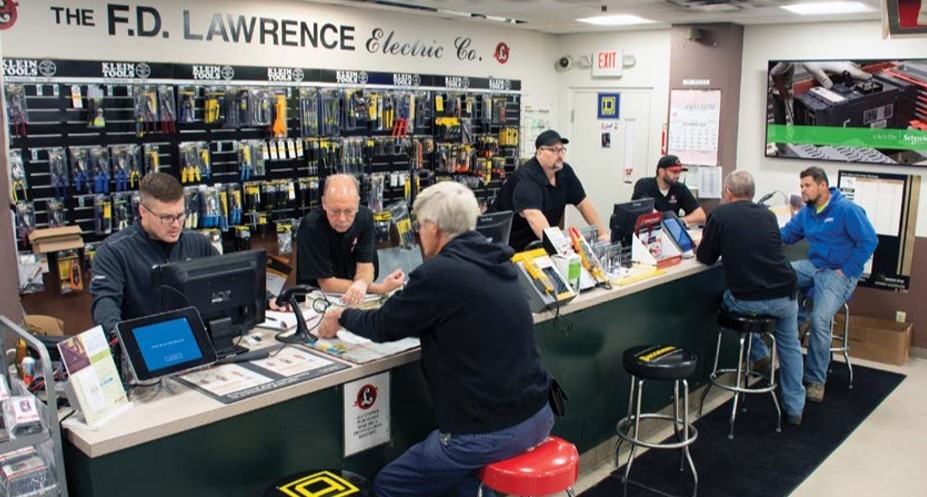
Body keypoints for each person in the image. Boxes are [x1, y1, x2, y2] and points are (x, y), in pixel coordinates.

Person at [318, 182, 554, 497]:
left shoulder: (440, 274)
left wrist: (341, 316)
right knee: (462, 479)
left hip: (489, 431)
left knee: (389, 484)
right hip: (539, 413)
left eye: (419, 227)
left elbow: (385, 325)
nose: (418, 235)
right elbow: (452, 318)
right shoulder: (498, 261)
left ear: (434, 228)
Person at [91, 173, 286, 335]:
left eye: (180, 215)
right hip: (147, 346)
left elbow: (230, 279)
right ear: (143, 211)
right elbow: (105, 305)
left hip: (199, 339)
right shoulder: (113, 252)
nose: (176, 224)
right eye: (166, 217)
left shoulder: (196, 243)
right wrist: (118, 336)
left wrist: (267, 299)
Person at [696, 171, 804, 425]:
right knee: (790, 347)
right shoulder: (767, 215)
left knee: (726, 301)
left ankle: (758, 352)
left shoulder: (720, 215)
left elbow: (707, 257)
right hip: (785, 295)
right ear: (752, 194)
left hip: (747, 300)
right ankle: (795, 409)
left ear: (728, 193)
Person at [761, 166, 877, 403]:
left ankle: (815, 379)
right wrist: (759, 236)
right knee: (776, 277)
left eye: (807, 186)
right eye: (801, 186)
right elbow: (788, 234)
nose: (802, 190)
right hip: (814, 266)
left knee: (820, 320)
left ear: (822, 186)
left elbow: (869, 241)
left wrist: (846, 271)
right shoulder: (808, 212)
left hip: (837, 272)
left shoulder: (846, 210)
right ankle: (779, 334)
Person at [296, 174, 405, 304]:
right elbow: (327, 284)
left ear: (358, 203)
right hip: (315, 303)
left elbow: (366, 266)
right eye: (335, 211)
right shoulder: (312, 226)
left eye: (349, 211)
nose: (342, 219)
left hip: (355, 300)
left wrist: (362, 283)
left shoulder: (365, 218)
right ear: (324, 203)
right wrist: (379, 289)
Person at [493, 129, 608, 251]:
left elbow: (583, 204)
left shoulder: (565, 172)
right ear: (539, 153)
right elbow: (533, 216)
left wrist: (602, 234)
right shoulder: (527, 177)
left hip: (536, 245)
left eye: (561, 150)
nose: (559, 154)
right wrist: (560, 246)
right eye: (553, 150)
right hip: (508, 247)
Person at [632, 155, 706, 226]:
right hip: (647, 233)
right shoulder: (644, 185)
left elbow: (701, 215)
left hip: (671, 233)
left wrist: (678, 222)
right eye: (674, 172)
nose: (677, 176)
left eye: (679, 172)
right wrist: (665, 221)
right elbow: (644, 210)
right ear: (661, 172)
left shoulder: (680, 188)